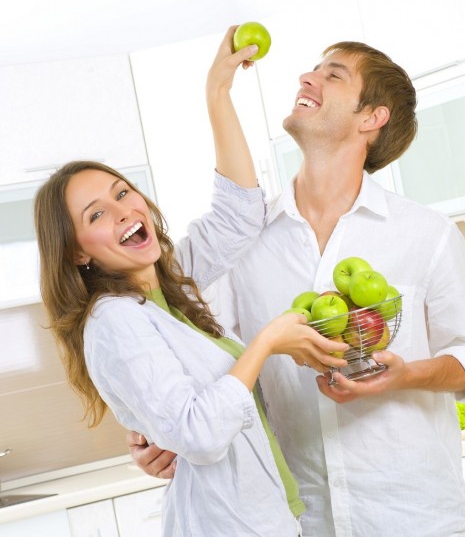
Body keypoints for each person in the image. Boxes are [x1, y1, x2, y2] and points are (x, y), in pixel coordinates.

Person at [128, 39, 465, 537]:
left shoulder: (425, 233)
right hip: (306, 522)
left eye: (334, 75)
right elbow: (212, 362)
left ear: (372, 118)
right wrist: (163, 431)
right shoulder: (248, 242)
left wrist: (405, 375)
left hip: (418, 518)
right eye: (312, 71)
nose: (307, 79)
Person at [34, 27, 347, 537]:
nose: (123, 211)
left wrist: (217, 92)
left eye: (122, 192)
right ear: (75, 251)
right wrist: (267, 342)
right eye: (96, 214)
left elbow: (240, 213)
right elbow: (199, 434)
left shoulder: (171, 283)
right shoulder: (112, 321)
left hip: (274, 518)